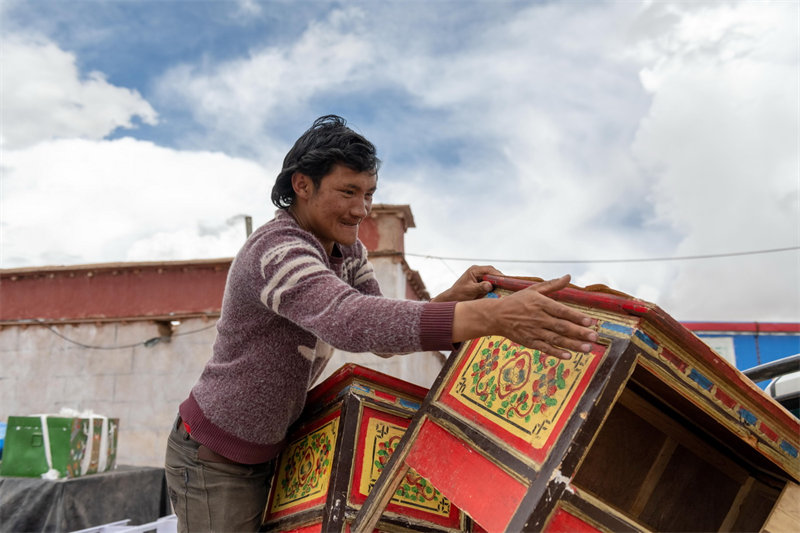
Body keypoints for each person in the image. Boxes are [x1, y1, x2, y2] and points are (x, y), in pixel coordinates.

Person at [164, 115, 598, 532]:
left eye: (368, 193)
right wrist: (490, 317)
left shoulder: (347, 252)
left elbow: (378, 329)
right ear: (302, 185)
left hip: (272, 451)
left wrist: (451, 300)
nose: (362, 209)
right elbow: (348, 320)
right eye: (348, 192)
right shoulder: (277, 251)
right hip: (215, 458)